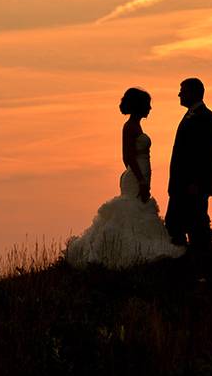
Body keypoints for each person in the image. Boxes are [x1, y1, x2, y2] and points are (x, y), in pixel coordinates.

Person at [66, 88, 185, 268]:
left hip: (140, 174)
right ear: (140, 106)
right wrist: (141, 180)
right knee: (132, 210)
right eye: (147, 104)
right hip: (136, 177)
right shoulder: (129, 126)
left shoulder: (137, 126)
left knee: (139, 211)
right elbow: (127, 157)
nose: (150, 108)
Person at [166, 77, 212, 252]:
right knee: (174, 226)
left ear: (194, 93)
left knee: (196, 228)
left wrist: (196, 183)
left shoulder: (206, 117)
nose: (179, 94)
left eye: (183, 90)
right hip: (181, 185)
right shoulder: (190, 115)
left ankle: (199, 268)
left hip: (192, 186)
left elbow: (205, 154)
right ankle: (183, 264)